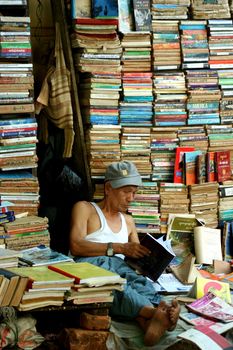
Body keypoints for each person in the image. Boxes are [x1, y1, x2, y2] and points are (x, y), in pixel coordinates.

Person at [69, 160, 180, 346]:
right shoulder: (85, 209)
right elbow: (76, 245)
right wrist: (119, 248)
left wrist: (148, 261)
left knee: (138, 282)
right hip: (90, 266)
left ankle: (155, 314)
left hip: (121, 267)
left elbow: (136, 260)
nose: (131, 198)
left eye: (134, 192)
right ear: (108, 188)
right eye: (126, 191)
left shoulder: (128, 221)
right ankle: (155, 314)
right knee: (115, 285)